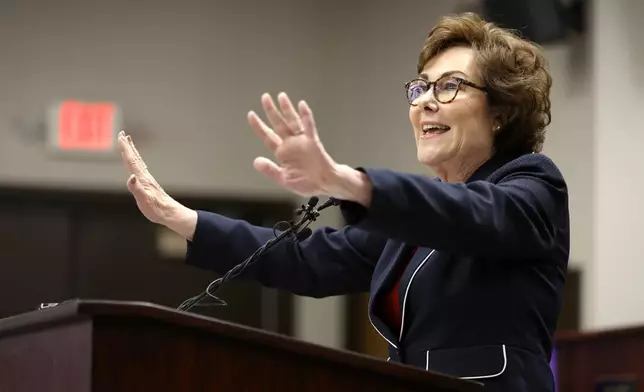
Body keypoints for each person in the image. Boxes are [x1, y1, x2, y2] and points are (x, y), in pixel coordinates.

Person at [118, 12, 569, 392]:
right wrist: (182, 219)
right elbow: (308, 259)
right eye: (420, 88)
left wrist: (349, 183)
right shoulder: (413, 224)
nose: (426, 103)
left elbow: (473, 217)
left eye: (449, 87)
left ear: (502, 112)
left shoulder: (533, 185)